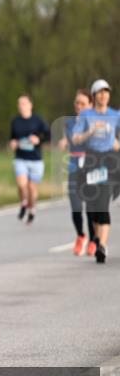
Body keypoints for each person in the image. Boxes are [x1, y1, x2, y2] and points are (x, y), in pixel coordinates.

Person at [70, 79, 120, 264]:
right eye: (99, 92)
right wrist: (88, 133)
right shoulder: (86, 115)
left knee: (104, 202)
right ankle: (98, 239)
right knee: (93, 206)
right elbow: (75, 139)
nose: (103, 95)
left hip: (108, 160)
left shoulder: (115, 115)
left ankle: (102, 246)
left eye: (106, 92)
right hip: (91, 160)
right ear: (94, 95)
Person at [59, 89, 95, 256]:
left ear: (90, 105)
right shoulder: (70, 123)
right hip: (74, 164)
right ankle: (81, 235)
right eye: (77, 103)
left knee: (90, 207)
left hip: (91, 164)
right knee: (75, 206)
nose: (79, 106)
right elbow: (69, 138)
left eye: (82, 103)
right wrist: (64, 141)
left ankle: (94, 240)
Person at [9, 95, 51, 225]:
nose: (22, 106)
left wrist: (38, 140)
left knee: (32, 189)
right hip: (20, 158)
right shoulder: (15, 121)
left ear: (30, 105)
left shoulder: (38, 120)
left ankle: (32, 209)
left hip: (36, 159)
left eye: (24, 103)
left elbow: (48, 135)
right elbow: (12, 138)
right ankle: (23, 203)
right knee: (22, 185)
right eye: (19, 104)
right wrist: (13, 143)